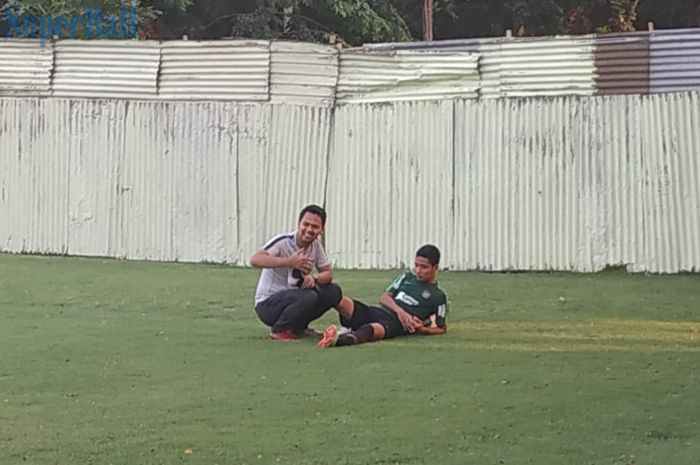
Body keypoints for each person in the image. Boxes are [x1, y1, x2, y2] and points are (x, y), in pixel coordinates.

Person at [318, 244, 448, 348]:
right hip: (378, 311)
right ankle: (302, 326)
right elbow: (384, 298)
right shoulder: (407, 277)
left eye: (424, 267)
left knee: (369, 330)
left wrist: (423, 329)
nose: (418, 270)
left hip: (395, 324)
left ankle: (339, 340)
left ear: (435, 267)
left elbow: (441, 328)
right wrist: (400, 312)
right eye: (416, 265)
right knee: (337, 298)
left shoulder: (438, 296)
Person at [250, 204, 342, 341]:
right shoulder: (284, 241)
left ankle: (298, 327)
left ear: (321, 230)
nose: (309, 230)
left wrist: (314, 278)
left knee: (333, 292)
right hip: (268, 304)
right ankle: (278, 330)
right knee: (308, 296)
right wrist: (288, 262)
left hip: (295, 298)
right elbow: (255, 260)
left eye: (315, 227)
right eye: (306, 224)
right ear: (299, 224)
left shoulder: (316, 246)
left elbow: (327, 273)